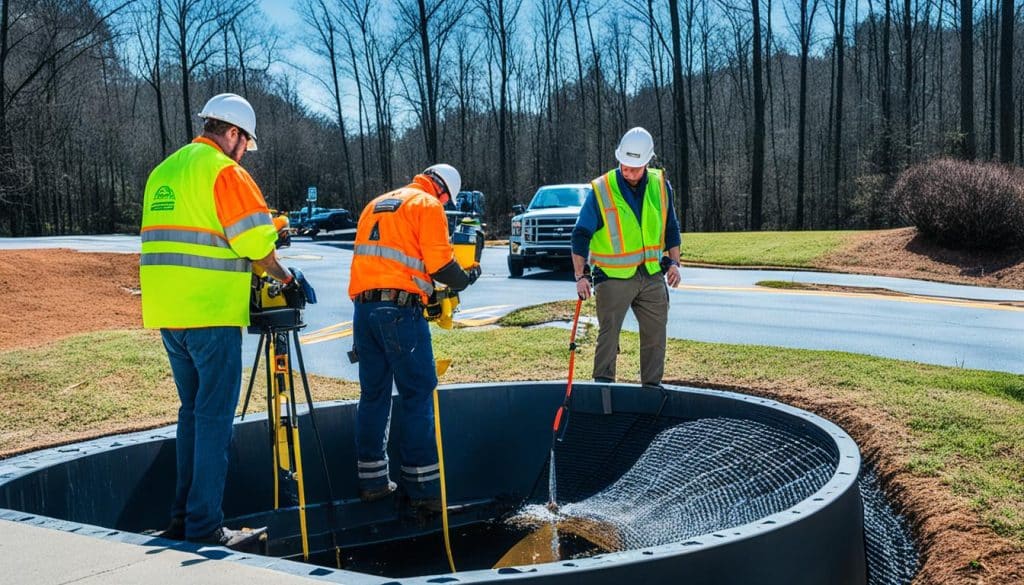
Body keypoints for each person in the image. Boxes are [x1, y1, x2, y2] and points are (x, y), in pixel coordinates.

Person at [140, 93, 313, 549]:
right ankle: (205, 526)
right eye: (244, 142)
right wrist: (287, 277)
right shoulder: (225, 172)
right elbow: (256, 245)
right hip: (210, 315)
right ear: (232, 133)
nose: (244, 152)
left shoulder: (165, 171)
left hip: (169, 315)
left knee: (192, 415)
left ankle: (182, 519)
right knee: (214, 418)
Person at [348, 164, 481, 511]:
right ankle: (423, 491)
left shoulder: (375, 204)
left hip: (364, 311)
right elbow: (439, 264)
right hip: (399, 311)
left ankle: (373, 482)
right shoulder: (427, 205)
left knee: (373, 395)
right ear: (444, 192)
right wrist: (464, 279)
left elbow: (393, 260)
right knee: (418, 392)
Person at [571, 127, 682, 389]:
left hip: (652, 274)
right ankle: (603, 389)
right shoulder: (602, 190)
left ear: (647, 162)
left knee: (656, 333)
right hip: (613, 277)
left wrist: (674, 263)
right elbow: (580, 234)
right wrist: (580, 276)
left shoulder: (660, 186)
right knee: (609, 337)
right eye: (625, 165)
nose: (628, 171)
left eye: (635, 167)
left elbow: (672, 228)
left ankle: (652, 390)